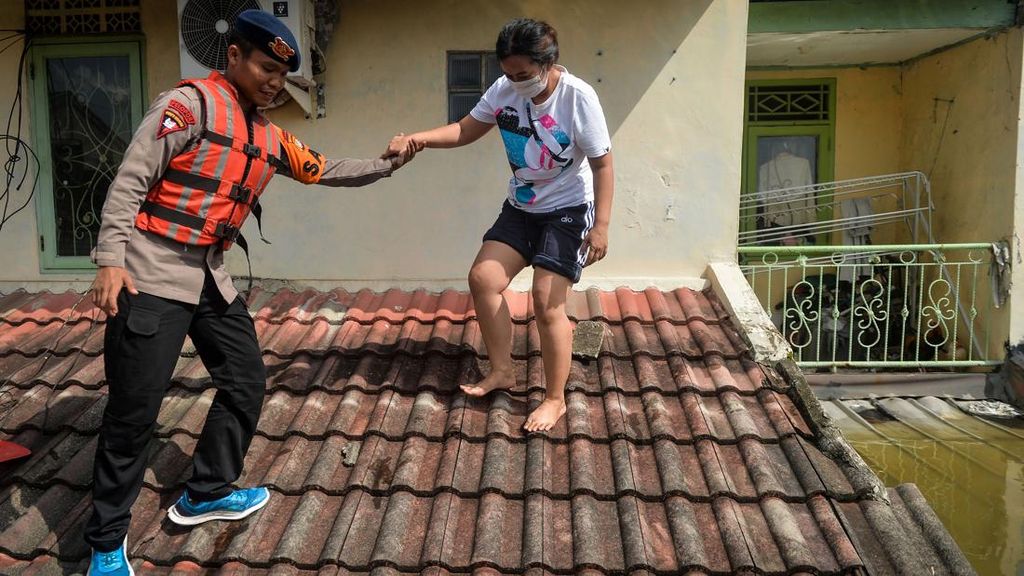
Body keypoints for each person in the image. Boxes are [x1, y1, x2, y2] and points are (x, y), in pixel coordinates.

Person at [84, 10, 416, 576]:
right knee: (134, 412)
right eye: (265, 67)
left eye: (281, 76)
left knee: (245, 380)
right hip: (152, 270)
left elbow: (325, 167)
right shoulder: (188, 107)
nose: (273, 82)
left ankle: (206, 490)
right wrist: (110, 259)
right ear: (233, 55)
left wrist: (387, 165)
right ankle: (104, 544)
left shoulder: (268, 134)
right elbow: (130, 180)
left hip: (210, 275)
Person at [388, 18, 613, 433]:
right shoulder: (503, 90)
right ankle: (502, 371)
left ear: (547, 64)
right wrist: (417, 139)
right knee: (483, 279)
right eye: (508, 74)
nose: (515, 82)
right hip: (521, 207)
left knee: (547, 302)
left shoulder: (578, 97)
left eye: (523, 75)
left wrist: (601, 227)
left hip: (566, 211)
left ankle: (554, 399)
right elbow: (465, 129)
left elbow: (602, 162)